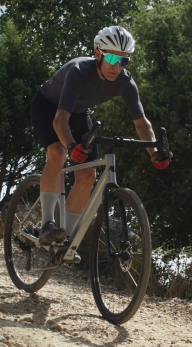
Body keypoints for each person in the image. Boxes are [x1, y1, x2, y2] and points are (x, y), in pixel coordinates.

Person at [30, 25, 170, 247]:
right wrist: (71, 144)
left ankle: (66, 238)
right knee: (58, 152)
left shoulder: (125, 81)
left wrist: (153, 152)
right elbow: (59, 120)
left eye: (123, 60)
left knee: (88, 176)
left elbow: (141, 123)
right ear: (98, 54)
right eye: (112, 58)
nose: (117, 66)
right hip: (49, 106)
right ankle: (47, 225)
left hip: (77, 113)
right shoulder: (78, 71)